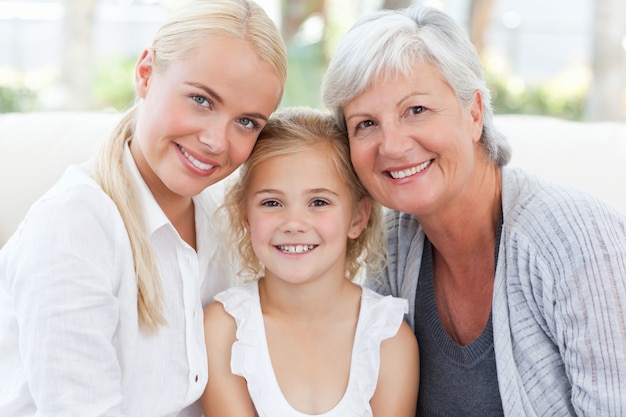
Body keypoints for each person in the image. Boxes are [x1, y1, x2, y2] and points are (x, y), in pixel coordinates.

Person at [321, 5, 626, 417]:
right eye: (366, 124)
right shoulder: (394, 245)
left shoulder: (575, 239)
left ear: (475, 114)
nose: (391, 145)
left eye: (416, 110)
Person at [0, 1, 287, 415]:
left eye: (246, 122)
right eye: (202, 100)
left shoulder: (225, 223)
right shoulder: (73, 226)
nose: (216, 141)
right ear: (146, 74)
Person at [200, 107, 419, 417]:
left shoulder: (388, 336)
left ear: (357, 217)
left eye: (319, 202)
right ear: (245, 215)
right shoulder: (224, 330)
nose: (294, 223)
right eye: (271, 202)